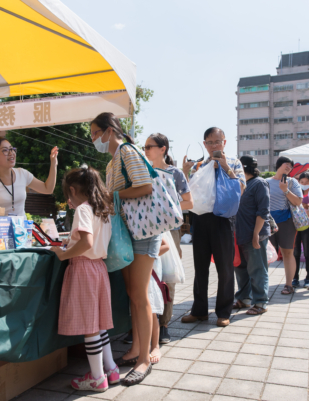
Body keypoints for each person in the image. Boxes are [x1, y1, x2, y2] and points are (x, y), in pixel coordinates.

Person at [90, 112, 159, 385]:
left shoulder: (127, 151)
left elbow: (146, 186)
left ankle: (144, 360)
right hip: (128, 232)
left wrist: (111, 195)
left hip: (143, 231)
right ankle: (138, 350)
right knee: (133, 294)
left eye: (95, 133)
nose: (94, 139)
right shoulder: (113, 160)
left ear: (109, 131)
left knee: (140, 295)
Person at [50, 166, 118, 392]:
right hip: (99, 267)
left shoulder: (83, 210)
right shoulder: (103, 209)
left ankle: (97, 378)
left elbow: (86, 242)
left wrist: (62, 254)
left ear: (72, 190)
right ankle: (111, 369)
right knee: (99, 324)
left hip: (83, 268)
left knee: (90, 326)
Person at [181, 127, 246, 328]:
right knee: (200, 266)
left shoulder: (234, 162)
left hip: (223, 220)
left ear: (224, 142)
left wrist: (226, 167)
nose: (213, 146)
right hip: (200, 219)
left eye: (217, 141)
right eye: (209, 142)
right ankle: (199, 311)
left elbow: (241, 188)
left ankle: (223, 311)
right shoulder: (199, 165)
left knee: (225, 267)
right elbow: (188, 190)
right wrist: (185, 171)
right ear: (204, 144)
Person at [143, 133, 193, 344]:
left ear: (163, 149)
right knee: (143, 276)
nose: (144, 150)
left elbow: (189, 203)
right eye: (143, 147)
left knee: (167, 276)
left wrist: (167, 210)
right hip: (143, 229)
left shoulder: (175, 174)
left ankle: (163, 325)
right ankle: (141, 324)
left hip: (169, 230)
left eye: (149, 147)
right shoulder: (141, 171)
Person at [0, 137, 58, 216]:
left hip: (21, 231)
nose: (11, 153)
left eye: (12, 149)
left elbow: (48, 189)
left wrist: (53, 163)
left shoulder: (23, 174)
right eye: (5, 150)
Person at [233, 156, 270, 315]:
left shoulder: (259, 183)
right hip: (240, 234)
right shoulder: (241, 183)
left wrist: (256, 234)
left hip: (255, 234)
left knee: (257, 269)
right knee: (241, 269)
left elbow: (263, 211)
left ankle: (260, 302)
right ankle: (244, 299)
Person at [267, 156, 303, 295]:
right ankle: (262, 285)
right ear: (279, 165)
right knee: (266, 254)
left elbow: (298, 202)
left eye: (291, 166)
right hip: (268, 221)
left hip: (286, 220)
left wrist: (285, 190)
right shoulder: (265, 182)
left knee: (288, 252)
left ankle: (289, 285)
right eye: (286, 164)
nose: (289, 167)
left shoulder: (292, 182)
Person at [146, 237, 170, 364]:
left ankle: (155, 346)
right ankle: (141, 345)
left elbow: (166, 246)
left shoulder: (151, 223)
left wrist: (148, 255)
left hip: (150, 269)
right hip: (139, 266)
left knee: (152, 310)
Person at [293, 171, 309, 287]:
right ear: (299, 182)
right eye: (302, 182)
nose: (304, 184)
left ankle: (308, 278)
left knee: (308, 252)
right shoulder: (295, 192)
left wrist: (308, 207)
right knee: (295, 253)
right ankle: (295, 278)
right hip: (296, 225)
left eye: (307, 182)